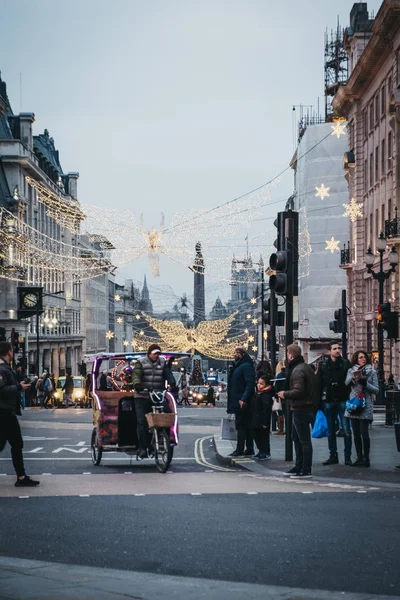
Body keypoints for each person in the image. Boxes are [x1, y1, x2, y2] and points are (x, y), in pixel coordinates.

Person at [0, 342, 39, 487]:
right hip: (4, 413)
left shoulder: (5, 368)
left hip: (7, 412)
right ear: (7, 352)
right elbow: (1, 389)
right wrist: (18, 387)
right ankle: (21, 477)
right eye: (11, 351)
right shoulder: (2, 369)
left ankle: (21, 477)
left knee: (16, 444)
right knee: (14, 444)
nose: (13, 353)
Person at [277, 344, 316, 478]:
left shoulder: (298, 370)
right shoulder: (304, 367)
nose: (287, 356)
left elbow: (299, 391)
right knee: (296, 438)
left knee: (303, 440)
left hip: (301, 408)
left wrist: (285, 394)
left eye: (287, 353)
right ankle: (299, 466)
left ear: (291, 355)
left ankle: (305, 469)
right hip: (302, 407)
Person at [132, 344, 176, 459]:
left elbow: (168, 374)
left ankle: (164, 438)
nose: (157, 355)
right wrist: (137, 384)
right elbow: (136, 374)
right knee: (142, 421)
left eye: (158, 353)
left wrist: (172, 382)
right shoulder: (141, 362)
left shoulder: (162, 362)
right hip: (142, 396)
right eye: (155, 353)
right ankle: (142, 448)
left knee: (166, 416)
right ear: (149, 353)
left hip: (157, 395)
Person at [317, 342, 352, 466]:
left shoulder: (345, 363)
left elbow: (350, 381)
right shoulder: (323, 365)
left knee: (346, 429)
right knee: (331, 430)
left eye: (339, 348)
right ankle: (333, 455)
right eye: (334, 349)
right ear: (329, 351)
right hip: (329, 399)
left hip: (342, 399)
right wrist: (319, 402)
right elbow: (319, 383)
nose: (337, 351)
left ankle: (347, 457)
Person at [345, 350, 378, 468]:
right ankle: (359, 457)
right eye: (360, 357)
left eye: (364, 357)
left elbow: (376, 389)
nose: (363, 359)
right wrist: (353, 379)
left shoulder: (372, 372)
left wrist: (365, 384)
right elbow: (346, 383)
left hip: (365, 404)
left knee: (364, 433)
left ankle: (366, 458)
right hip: (354, 404)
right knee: (356, 434)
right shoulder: (351, 370)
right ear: (356, 359)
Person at [227, 346, 255, 457]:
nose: (234, 354)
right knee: (246, 426)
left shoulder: (246, 366)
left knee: (241, 426)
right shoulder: (239, 366)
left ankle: (240, 449)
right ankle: (249, 449)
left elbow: (250, 384)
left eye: (236, 352)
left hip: (242, 402)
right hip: (238, 400)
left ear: (241, 354)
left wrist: (244, 398)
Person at [251, 375, 274, 460]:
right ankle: (261, 451)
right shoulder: (259, 393)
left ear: (267, 385)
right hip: (256, 418)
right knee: (256, 435)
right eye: (258, 383)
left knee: (263, 436)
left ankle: (265, 452)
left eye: (261, 384)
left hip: (262, 420)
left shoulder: (265, 395)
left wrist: (265, 422)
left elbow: (266, 410)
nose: (258, 385)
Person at [273, 361, 286, 435]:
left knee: (280, 413)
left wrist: (276, 395)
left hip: (281, 396)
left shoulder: (279, 375)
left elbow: (276, 387)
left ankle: (281, 429)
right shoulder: (291, 373)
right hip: (290, 396)